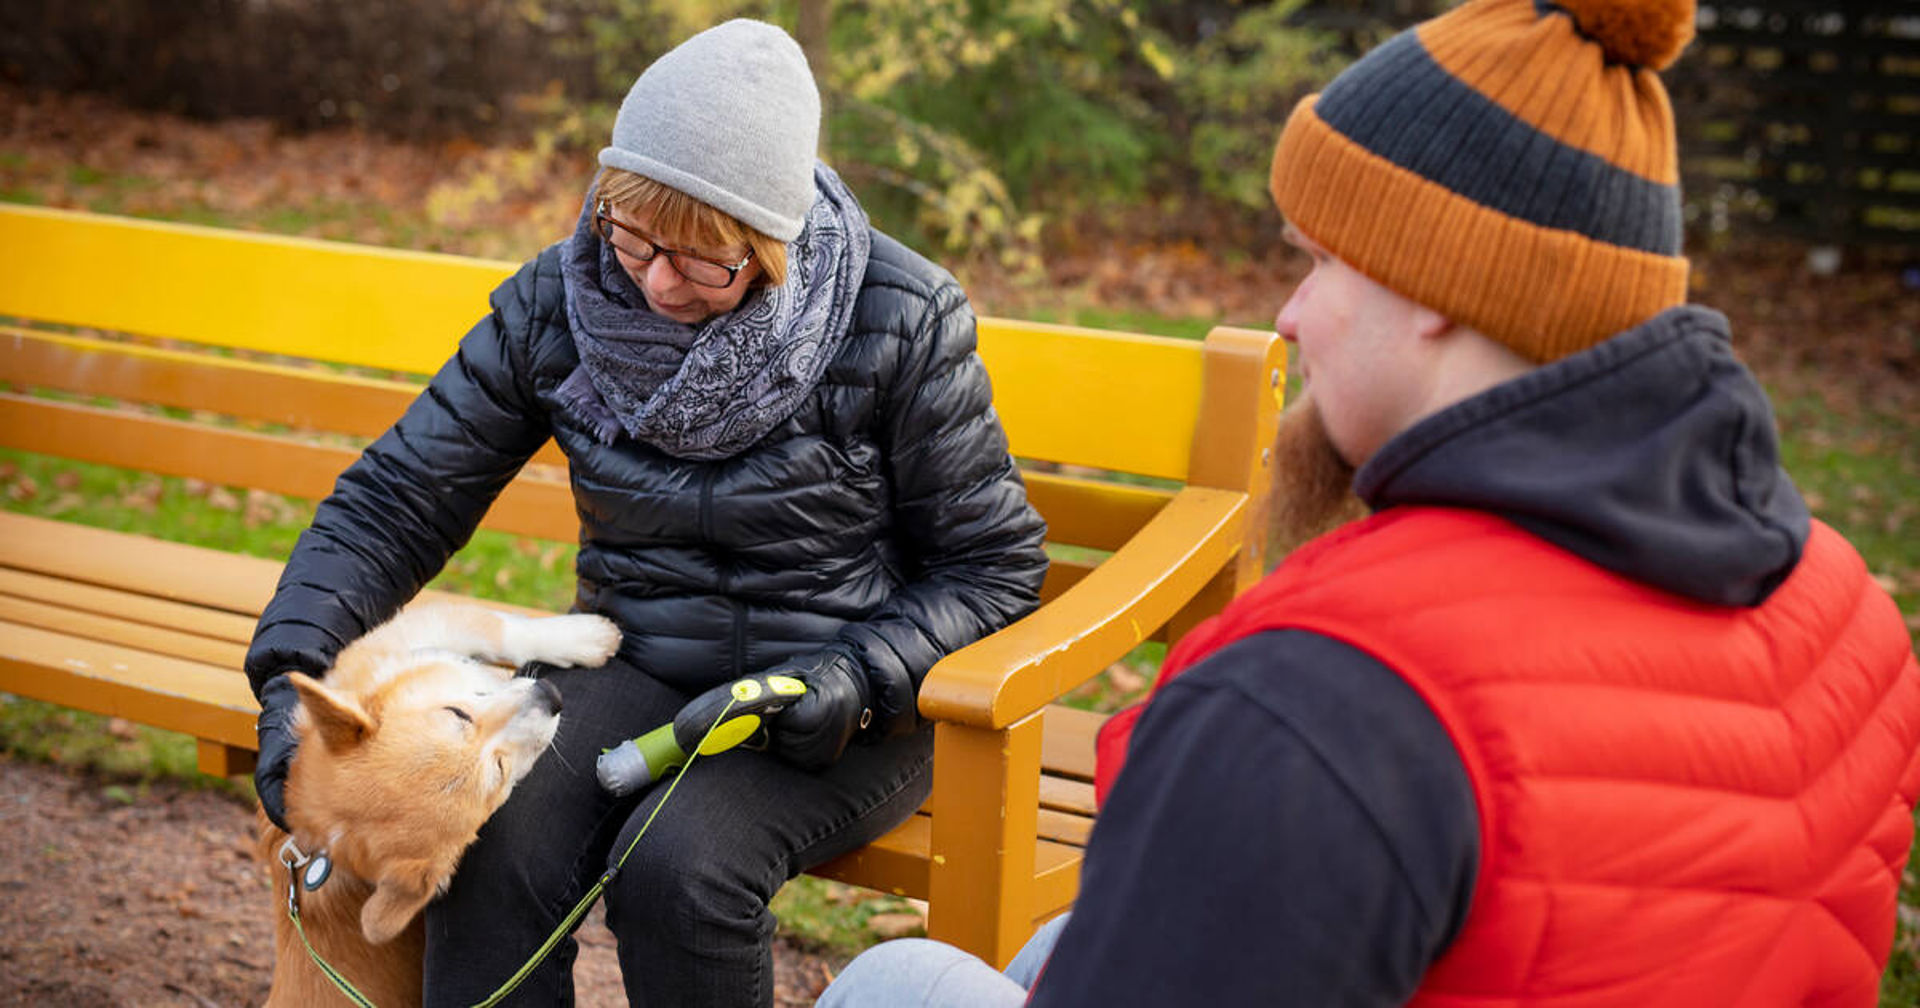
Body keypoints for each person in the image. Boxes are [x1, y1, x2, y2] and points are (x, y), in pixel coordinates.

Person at [818, 0, 1920, 1004]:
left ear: (1433, 283)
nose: (1290, 315)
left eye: (1318, 262)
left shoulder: (1315, 696)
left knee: (896, 980)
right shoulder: (1846, 612)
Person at [243, 18, 1048, 1006]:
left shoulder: (901, 314)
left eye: (705, 260)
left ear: (773, 245)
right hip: (639, 659)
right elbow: (396, 499)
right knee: (494, 845)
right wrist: (291, 674)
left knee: (680, 874)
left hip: (837, 704)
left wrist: (855, 677)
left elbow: (994, 566)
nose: (659, 280)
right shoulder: (558, 303)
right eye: (632, 237)